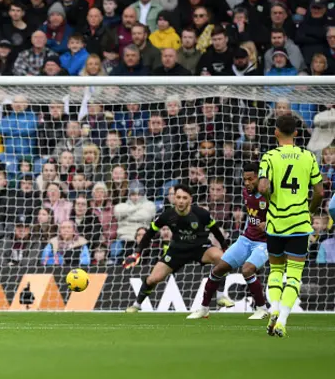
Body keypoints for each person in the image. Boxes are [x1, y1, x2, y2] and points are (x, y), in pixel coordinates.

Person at [258, 115, 324, 337]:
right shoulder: (308, 157)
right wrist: (310, 210)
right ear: (296, 133)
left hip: (276, 222)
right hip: (299, 222)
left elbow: (262, 186)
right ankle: (282, 321)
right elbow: (320, 192)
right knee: (294, 275)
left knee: (276, 270)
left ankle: (274, 309)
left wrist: (269, 196)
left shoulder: (269, 157)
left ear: (276, 132)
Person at [124, 183, 233, 313]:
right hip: (177, 250)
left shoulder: (201, 213)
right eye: (178, 197)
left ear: (190, 199)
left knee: (223, 259)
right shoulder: (167, 215)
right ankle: (137, 304)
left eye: (184, 198)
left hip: (200, 248)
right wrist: (137, 253)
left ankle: (220, 295)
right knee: (153, 279)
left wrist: (225, 247)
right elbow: (149, 233)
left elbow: (216, 231)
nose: (181, 201)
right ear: (174, 198)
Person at [187, 163, 269, 320]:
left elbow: (283, 216)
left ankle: (262, 308)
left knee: (247, 270)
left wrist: (269, 223)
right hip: (246, 238)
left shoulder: (270, 195)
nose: (247, 183)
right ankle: (204, 308)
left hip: (264, 242)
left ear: (259, 178)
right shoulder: (246, 192)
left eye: (250, 179)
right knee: (218, 269)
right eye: (245, 179)